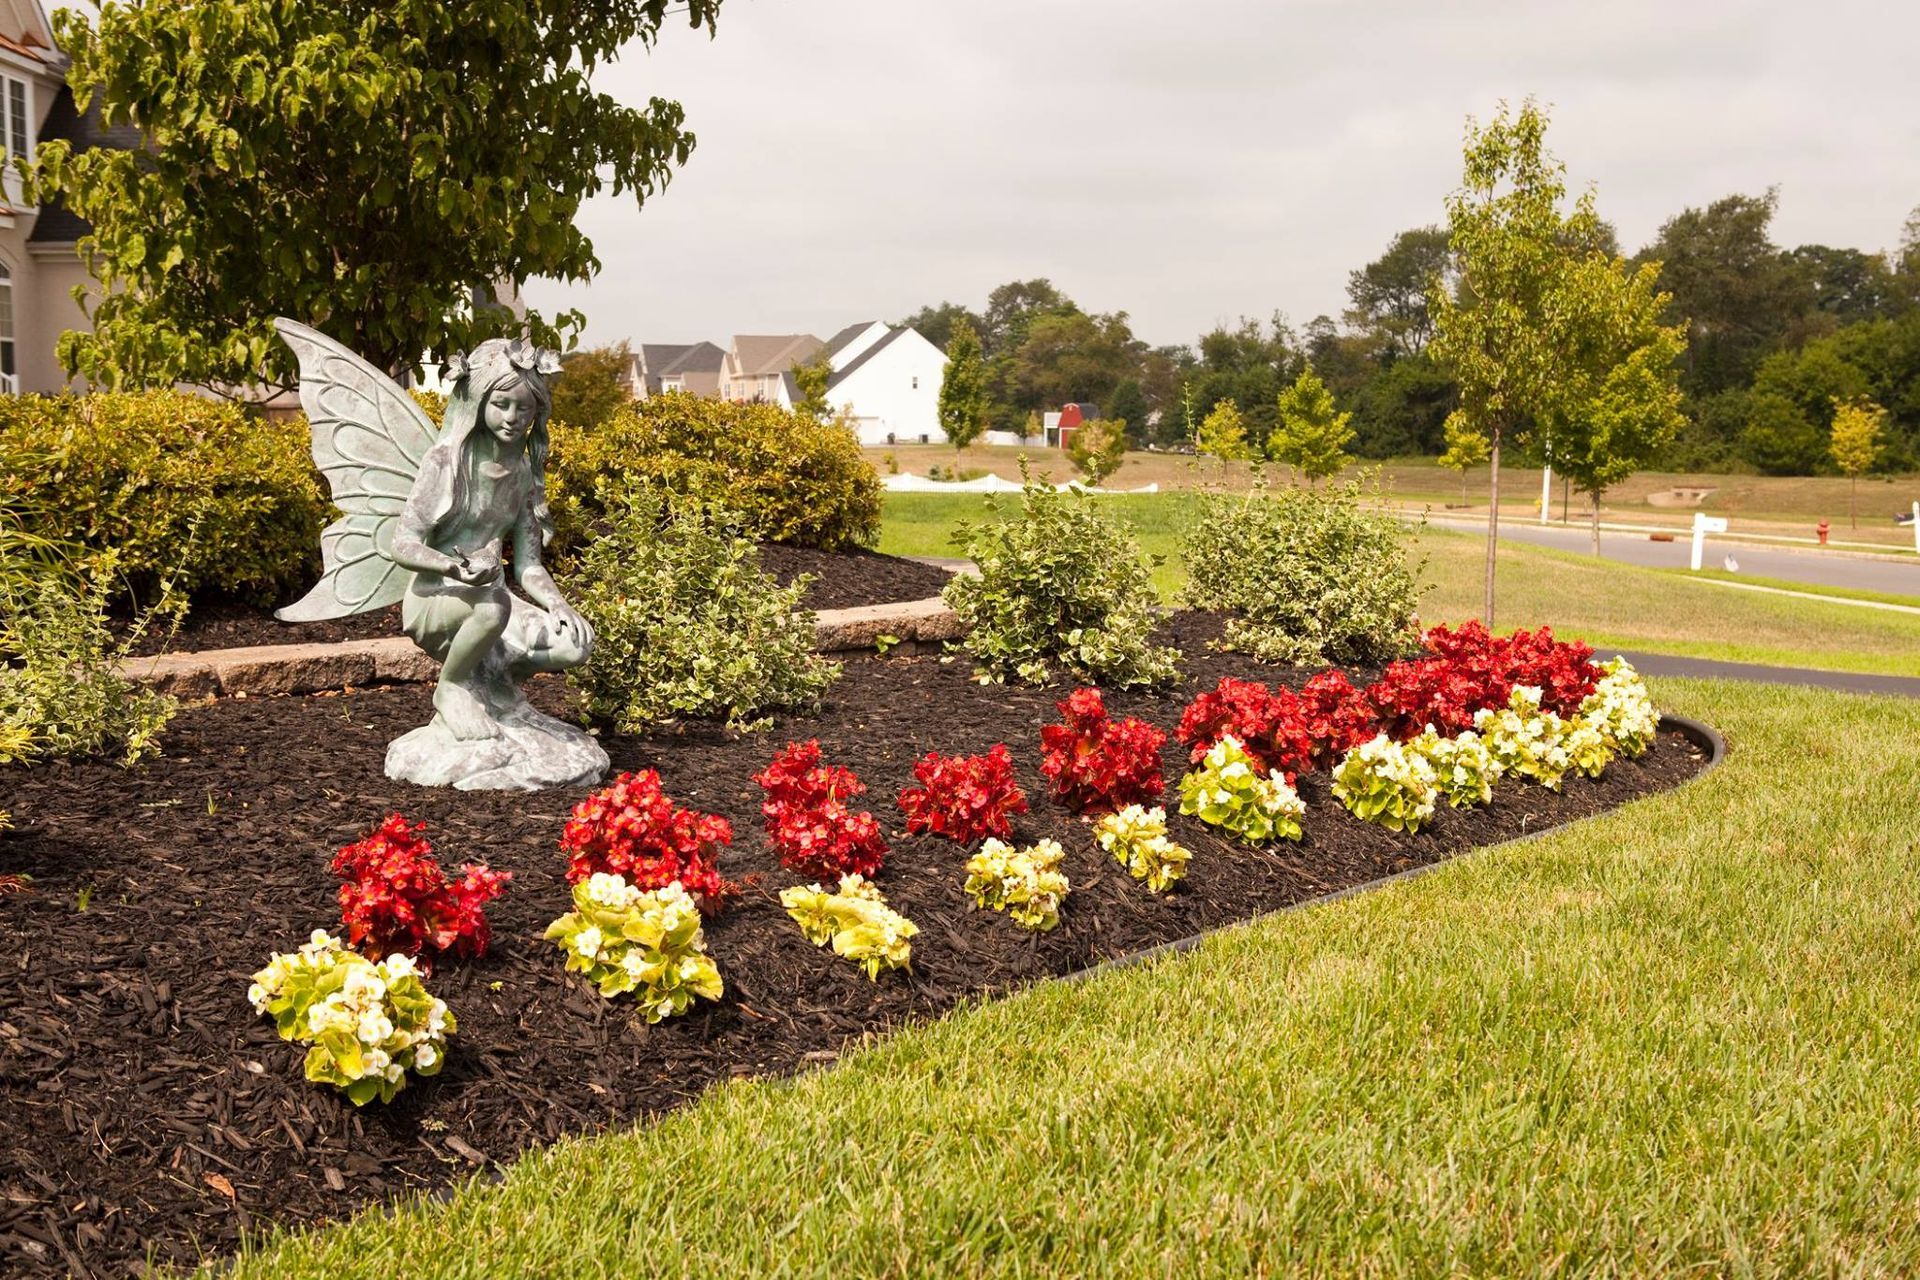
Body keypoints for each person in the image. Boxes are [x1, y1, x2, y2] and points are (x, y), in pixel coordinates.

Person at [388, 338, 593, 740]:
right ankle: (451, 687)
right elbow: (403, 543)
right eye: (502, 404)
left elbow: (528, 565)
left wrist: (557, 603)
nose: (513, 417)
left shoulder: (523, 474)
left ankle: (494, 684)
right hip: (436, 596)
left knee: (575, 644)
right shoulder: (446, 460)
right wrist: (452, 567)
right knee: (493, 608)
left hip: (490, 598)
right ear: (480, 402)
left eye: (525, 408)